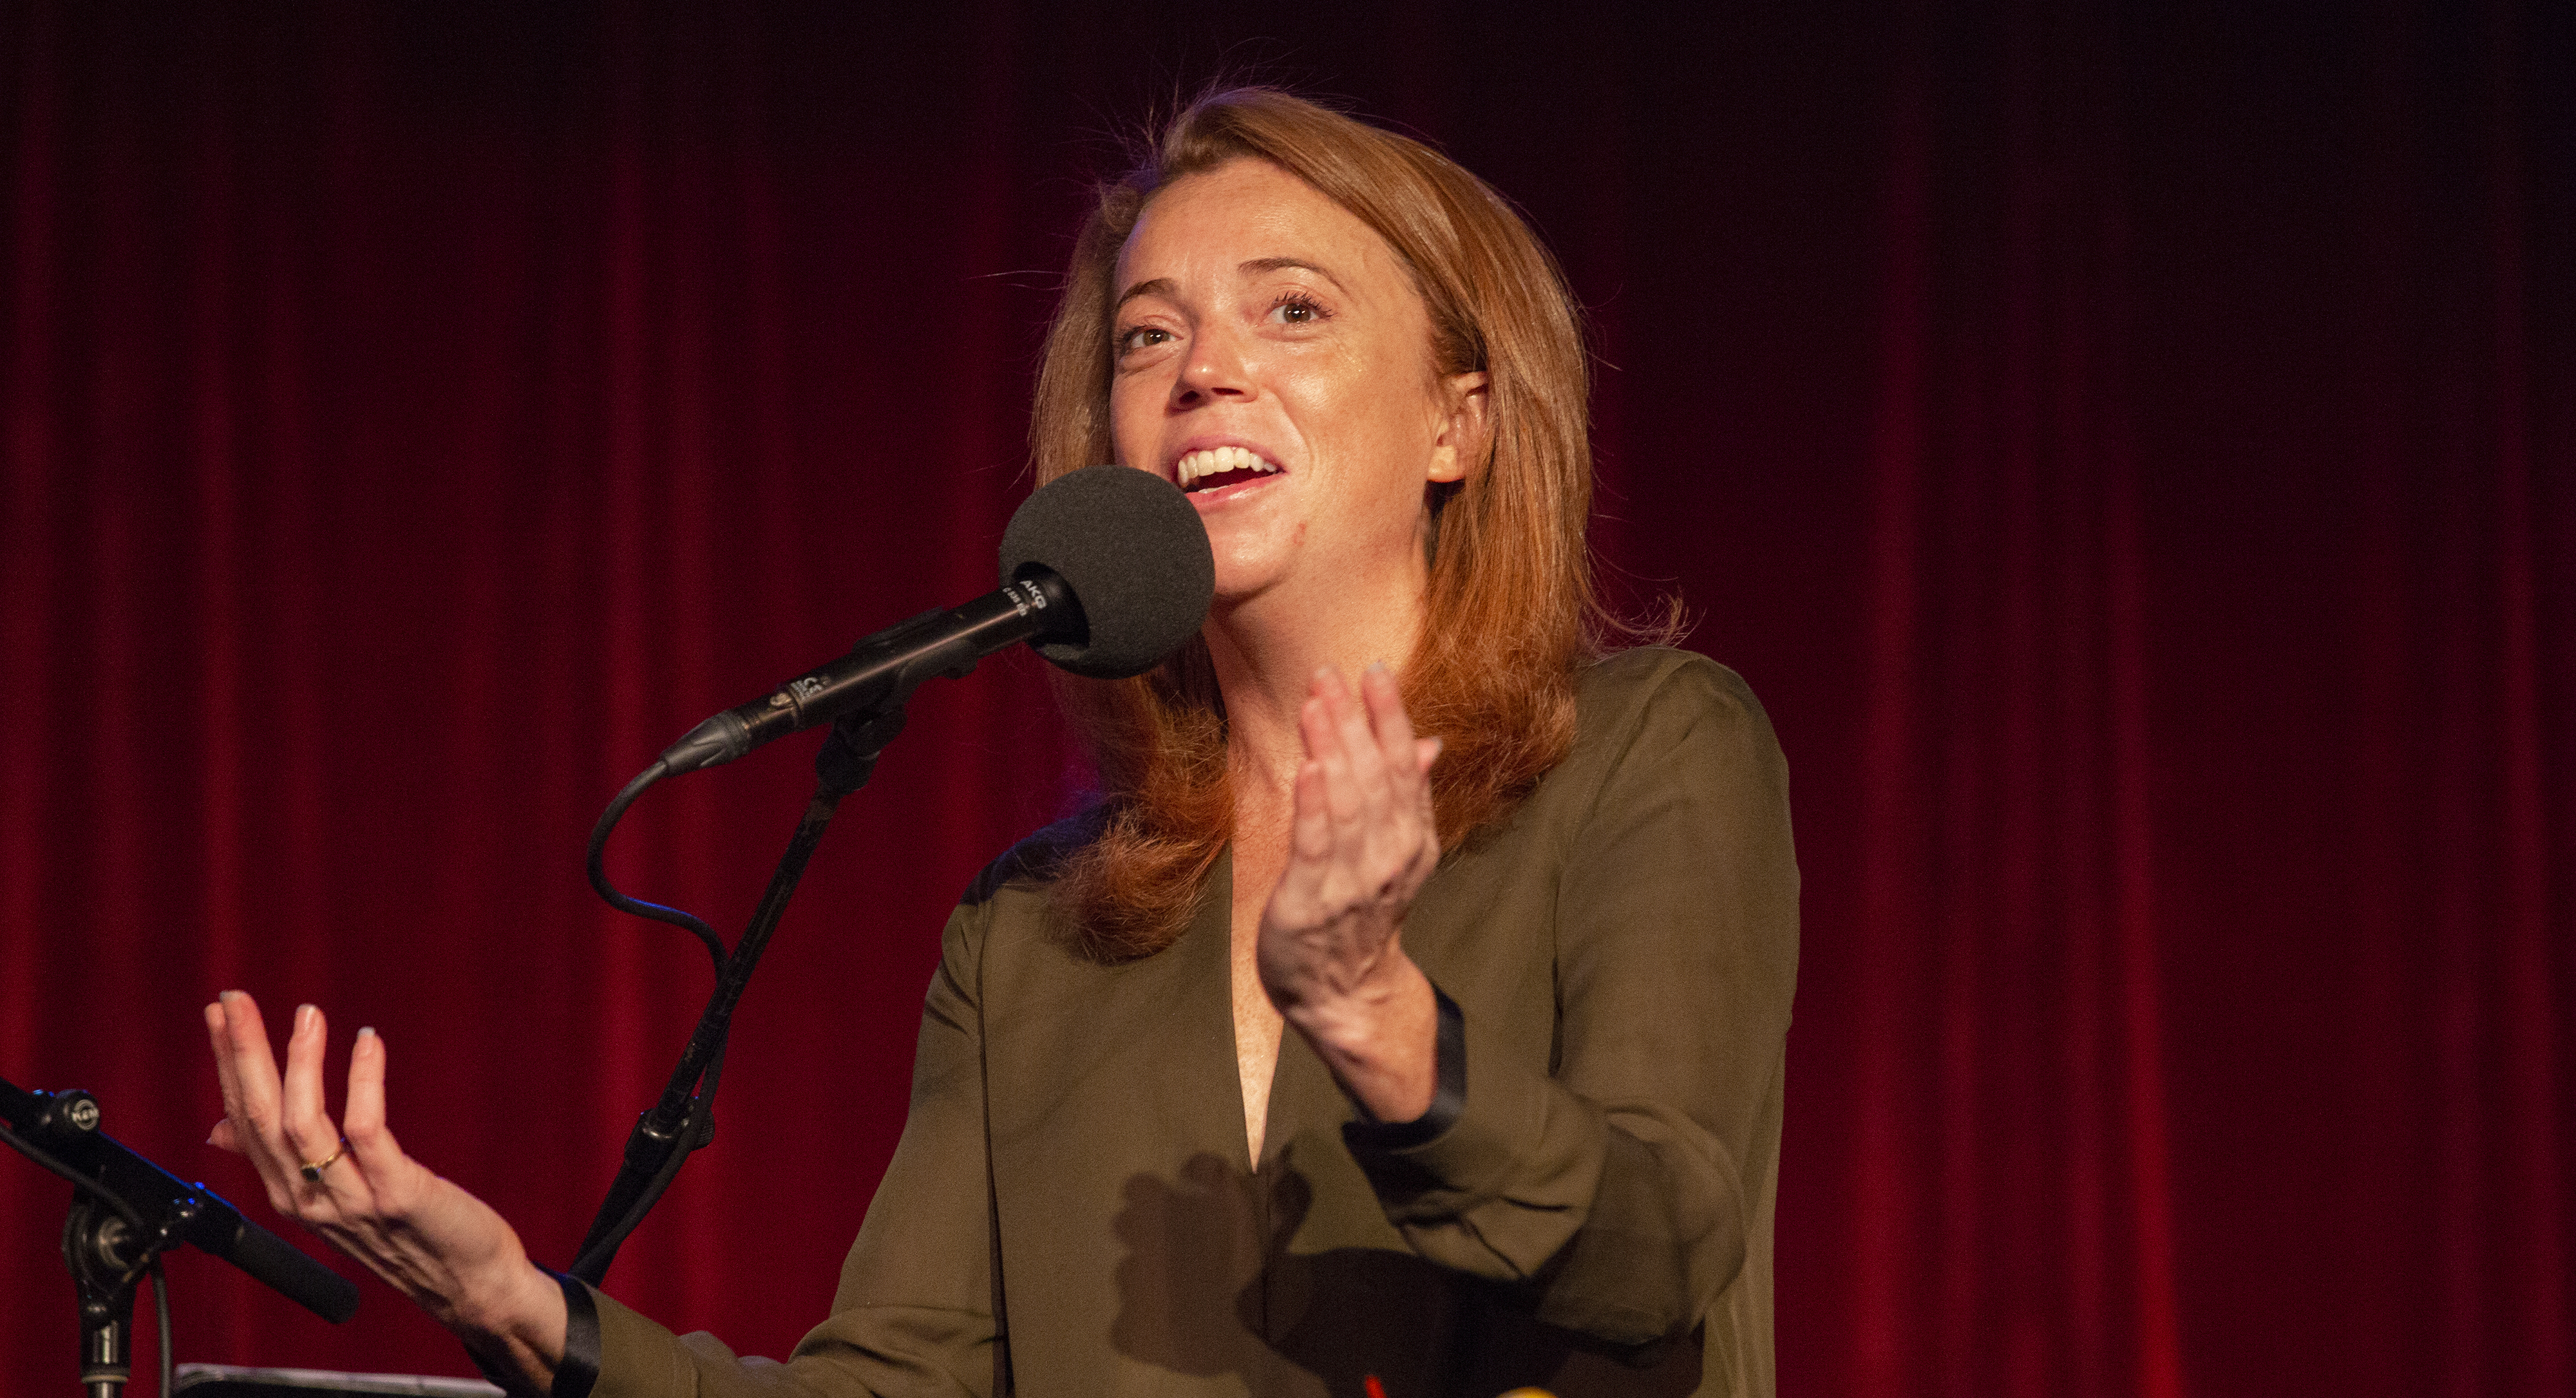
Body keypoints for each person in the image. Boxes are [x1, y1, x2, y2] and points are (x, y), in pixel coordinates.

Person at [204, 88, 1799, 1398]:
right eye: (1144, 339)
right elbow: (894, 1387)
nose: (1203, 375)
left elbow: (1658, 1249)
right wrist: (516, 1303)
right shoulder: (1036, 934)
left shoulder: (1644, 757)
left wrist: (1375, 1015)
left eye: (1290, 311)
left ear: (1458, 423)